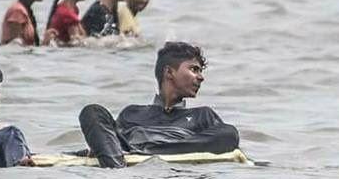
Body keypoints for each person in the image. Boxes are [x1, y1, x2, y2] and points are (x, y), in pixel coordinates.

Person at [78, 42, 240, 168]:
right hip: (128, 152)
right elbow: (111, 141)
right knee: (92, 112)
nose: (200, 77)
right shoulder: (132, 113)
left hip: (161, 153)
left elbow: (227, 140)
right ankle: (116, 167)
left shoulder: (203, 115)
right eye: (194, 69)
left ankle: (139, 155)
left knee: (229, 132)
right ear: (169, 72)